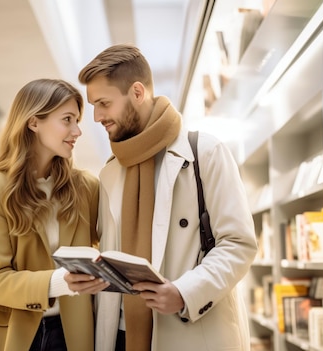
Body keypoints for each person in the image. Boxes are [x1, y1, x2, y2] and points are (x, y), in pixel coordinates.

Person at [77, 44, 258, 351]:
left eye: (104, 103)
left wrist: (185, 292)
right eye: (94, 105)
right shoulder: (109, 173)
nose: (96, 116)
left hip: (188, 330)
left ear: (137, 92)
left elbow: (239, 244)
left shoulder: (206, 153)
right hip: (121, 336)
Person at [0, 78, 108, 351]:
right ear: (34, 123)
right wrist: (58, 281)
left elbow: (104, 250)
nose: (77, 131)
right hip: (14, 335)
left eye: (77, 120)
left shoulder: (86, 188)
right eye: (67, 119)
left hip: (74, 334)